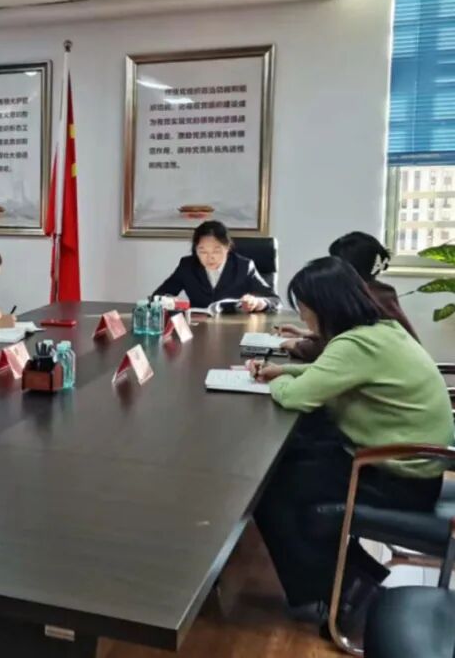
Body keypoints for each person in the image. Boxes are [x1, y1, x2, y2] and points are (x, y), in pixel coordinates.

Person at [249, 257, 452, 626]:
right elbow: (332, 372)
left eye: (305, 308)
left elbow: (296, 397)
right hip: (410, 467)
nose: (304, 317)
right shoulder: (382, 330)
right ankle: (355, 578)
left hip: (397, 479)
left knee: (268, 489)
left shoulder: (355, 345)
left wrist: (274, 380)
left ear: (324, 306)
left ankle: (331, 594)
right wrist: (285, 370)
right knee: (293, 457)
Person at [278, 232, 417, 361]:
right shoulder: (380, 290)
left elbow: (342, 348)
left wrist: (297, 346)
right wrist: (308, 334)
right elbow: (352, 333)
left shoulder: (363, 298)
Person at [153, 220, 279, 312]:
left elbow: (275, 300)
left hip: (235, 329)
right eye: (203, 251)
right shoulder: (187, 266)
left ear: (227, 248)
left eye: (216, 251)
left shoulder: (243, 267)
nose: (210, 257)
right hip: (199, 328)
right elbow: (158, 296)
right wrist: (169, 301)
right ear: (195, 249)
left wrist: (258, 303)